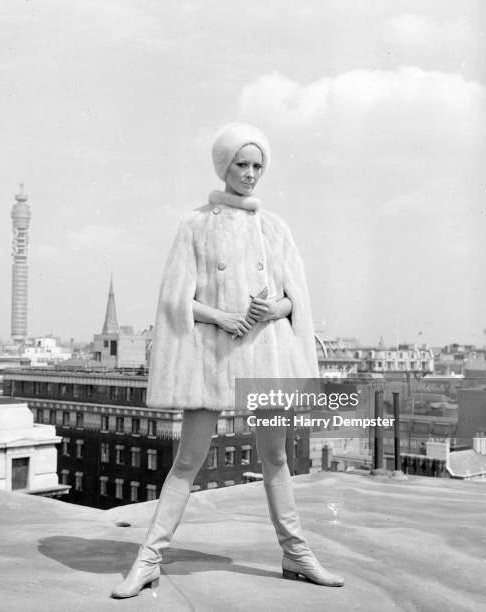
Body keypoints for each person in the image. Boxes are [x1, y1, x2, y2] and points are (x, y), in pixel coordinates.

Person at [111, 123, 344, 599]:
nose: (251, 174)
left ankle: (296, 554)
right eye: (242, 164)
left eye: (258, 166)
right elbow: (175, 297)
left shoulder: (275, 227)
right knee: (189, 460)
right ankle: (148, 560)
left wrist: (270, 309)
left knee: (275, 456)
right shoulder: (195, 223)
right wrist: (223, 316)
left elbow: (295, 299)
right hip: (212, 356)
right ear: (224, 165)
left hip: (265, 355)